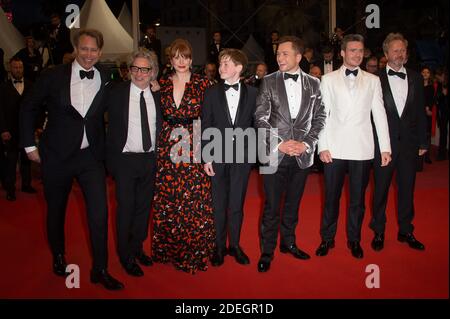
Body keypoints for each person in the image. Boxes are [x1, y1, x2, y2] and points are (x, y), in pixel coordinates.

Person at [20, 29, 123, 290]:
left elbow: (125, 98)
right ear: (76, 49)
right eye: (84, 49)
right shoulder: (53, 76)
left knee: (99, 213)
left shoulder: (106, 76)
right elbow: (28, 106)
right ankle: (58, 255)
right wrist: (29, 144)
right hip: (56, 156)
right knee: (56, 210)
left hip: (90, 157)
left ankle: (100, 268)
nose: (89, 55)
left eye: (94, 50)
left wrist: (152, 86)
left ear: (100, 52)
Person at [315, 34, 391, 259]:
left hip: (361, 147)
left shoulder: (373, 80)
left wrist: (385, 147)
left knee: (357, 200)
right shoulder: (327, 80)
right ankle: (327, 239)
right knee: (331, 198)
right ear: (342, 53)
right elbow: (322, 116)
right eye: (352, 50)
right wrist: (323, 146)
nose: (357, 54)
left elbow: (379, 115)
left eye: (360, 50)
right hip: (335, 148)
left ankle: (354, 239)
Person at [254, 36, 326, 272]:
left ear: (298, 57)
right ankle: (267, 251)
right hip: (273, 153)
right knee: (272, 205)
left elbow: (320, 118)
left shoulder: (314, 84)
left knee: (293, 204)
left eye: (285, 53)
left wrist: (306, 144)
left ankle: (288, 243)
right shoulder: (268, 81)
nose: (279, 57)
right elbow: (260, 118)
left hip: (302, 155)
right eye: (278, 54)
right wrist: (280, 143)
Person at [151, 38, 215, 274]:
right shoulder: (161, 84)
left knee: (193, 200)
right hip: (168, 145)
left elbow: (209, 120)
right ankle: (169, 250)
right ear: (170, 59)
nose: (181, 61)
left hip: (194, 142)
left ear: (191, 59)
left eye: (185, 57)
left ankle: (193, 252)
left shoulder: (204, 84)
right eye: (176, 57)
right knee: (170, 198)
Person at [104, 48, 162, 278]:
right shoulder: (115, 92)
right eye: (135, 68)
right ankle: (125, 254)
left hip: (149, 160)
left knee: (143, 209)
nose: (139, 73)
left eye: (144, 69)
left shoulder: (158, 95)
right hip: (125, 161)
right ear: (129, 71)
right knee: (125, 209)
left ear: (153, 72)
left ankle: (137, 247)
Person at [369, 33, 428, 252]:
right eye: (395, 50)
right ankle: (379, 230)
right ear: (386, 54)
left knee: (407, 189)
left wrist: (423, 141)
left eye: (402, 50)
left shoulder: (415, 77)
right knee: (381, 190)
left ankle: (406, 230)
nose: (399, 54)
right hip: (384, 146)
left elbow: (420, 113)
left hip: (409, 146)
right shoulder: (375, 79)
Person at [202, 49, 257, 267]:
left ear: (239, 68)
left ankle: (235, 245)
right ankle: (218, 247)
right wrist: (205, 157)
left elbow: (257, 125)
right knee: (218, 204)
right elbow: (204, 125)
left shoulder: (254, 93)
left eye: (226, 64)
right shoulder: (211, 92)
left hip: (242, 158)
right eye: (220, 63)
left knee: (237, 204)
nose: (220, 68)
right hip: (216, 156)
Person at [0, 57, 36, 201]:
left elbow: (35, 108)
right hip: (10, 131)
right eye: (15, 67)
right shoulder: (2, 88)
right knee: (11, 161)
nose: (18, 70)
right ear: (10, 69)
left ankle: (26, 185)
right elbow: (0, 111)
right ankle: (10, 189)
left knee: (27, 159)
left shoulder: (30, 85)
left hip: (26, 130)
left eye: (20, 67)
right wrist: (3, 130)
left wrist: (36, 126)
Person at [421, 66, 434, 164]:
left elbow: (432, 100)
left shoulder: (432, 87)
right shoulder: (418, 85)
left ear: (430, 75)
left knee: (427, 134)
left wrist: (428, 108)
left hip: (427, 113)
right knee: (419, 133)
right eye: (424, 72)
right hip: (419, 113)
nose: (425, 74)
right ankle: (419, 156)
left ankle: (427, 156)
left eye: (427, 72)